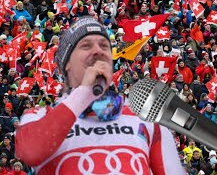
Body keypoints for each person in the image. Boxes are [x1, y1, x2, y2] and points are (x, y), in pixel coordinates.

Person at [15, 17, 185, 174]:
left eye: (104, 46)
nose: (98, 50)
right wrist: (85, 92)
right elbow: (30, 152)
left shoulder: (147, 121)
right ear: (66, 65)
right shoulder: (38, 116)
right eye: (86, 45)